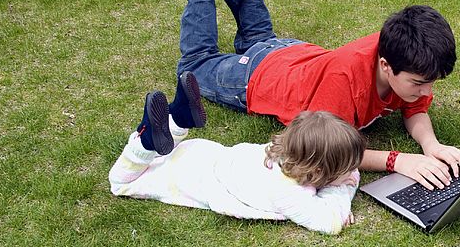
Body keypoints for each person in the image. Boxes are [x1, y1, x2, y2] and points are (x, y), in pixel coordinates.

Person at [162, 0, 460, 191]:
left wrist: (431, 146)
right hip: (258, 76)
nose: (426, 91)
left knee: (259, 37)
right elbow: (328, 149)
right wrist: (398, 160)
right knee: (196, 63)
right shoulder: (343, 82)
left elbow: (415, 108)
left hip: (293, 55)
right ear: (385, 65)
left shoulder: (406, 53)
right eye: (419, 83)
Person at [108, 81, 365, 235]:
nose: (354, 171)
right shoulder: (288, 194)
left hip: (202, 154)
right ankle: (145, 141)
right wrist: (340, 196)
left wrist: (340, 177)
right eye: (346, 168)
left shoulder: (287, 153)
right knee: (121, 182)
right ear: (319, 172)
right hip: (187, 178)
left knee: (161, 155)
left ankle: (177, 120)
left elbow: (345, 173)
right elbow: (330, 223)